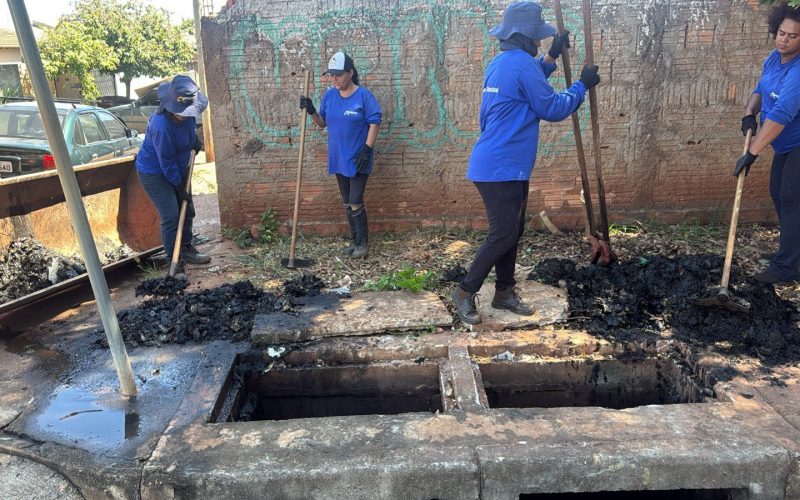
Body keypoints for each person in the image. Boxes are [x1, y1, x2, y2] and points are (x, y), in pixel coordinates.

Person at [451, 1, 600, 324]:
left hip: (503, 164)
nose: (539, 43)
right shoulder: (520, 65)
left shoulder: (502, 63)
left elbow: (529, 86)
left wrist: (552, 56)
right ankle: (464, 291)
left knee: (512, 230)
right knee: (503, 233)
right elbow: (552, 107)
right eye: (537, 39)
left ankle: (504, 292)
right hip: (501, 166)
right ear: (522, 37)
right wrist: (582, 86)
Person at [736, 2, 800, 285]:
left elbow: (781, 114)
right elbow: (760, 88)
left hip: (797, 143)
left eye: (792, 36)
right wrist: (750, 112)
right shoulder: (775, 58)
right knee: (779, 193)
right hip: (784, 146)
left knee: (791, 199)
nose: (784, 40)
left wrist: (751, 153)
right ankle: (791, 251)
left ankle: (787, 267)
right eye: (781, 33)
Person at [299, 51, 382, 259]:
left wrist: (367, 149)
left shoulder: (363, 96)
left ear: (350, 73)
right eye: (331, 75)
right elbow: (322, 123)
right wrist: (311, 111)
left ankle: (363, 244)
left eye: (339, 75)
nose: (334, 79)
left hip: (358, 157)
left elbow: (375, 122)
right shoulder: (329, 96)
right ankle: (354, 242)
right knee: (347, 200)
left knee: (355, 199)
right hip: (338, 157)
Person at [135, 75, 210, 274]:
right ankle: (173, 262)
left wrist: (195, 142)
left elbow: (189, 133)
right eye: (181, 113)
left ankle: (186, 250)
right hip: (154, 172)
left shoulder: (188, 113)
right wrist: (178, 187)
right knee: (171, 214)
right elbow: (165, 162)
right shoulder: (162, 126)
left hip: (179, 165)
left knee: (188, 209)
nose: (185, 115)